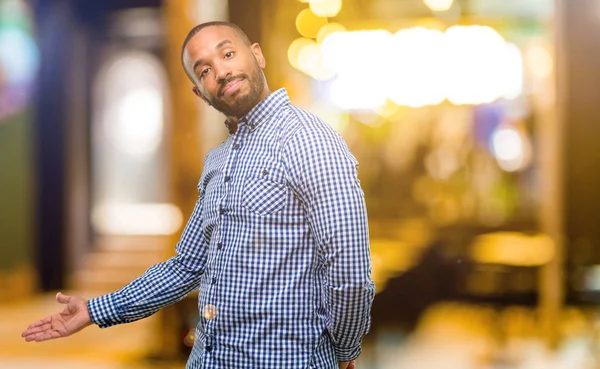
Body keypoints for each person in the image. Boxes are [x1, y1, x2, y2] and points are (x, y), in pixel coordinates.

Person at [21, 21, 375, 369]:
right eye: (203, 70)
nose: (220, 71)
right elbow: (187, 266)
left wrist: (344, 349)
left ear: (258, 55)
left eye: (228, 53)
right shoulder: (218, 161)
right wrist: (95, 311)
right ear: (198, 92)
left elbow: (350, 271)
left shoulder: (310, 141)